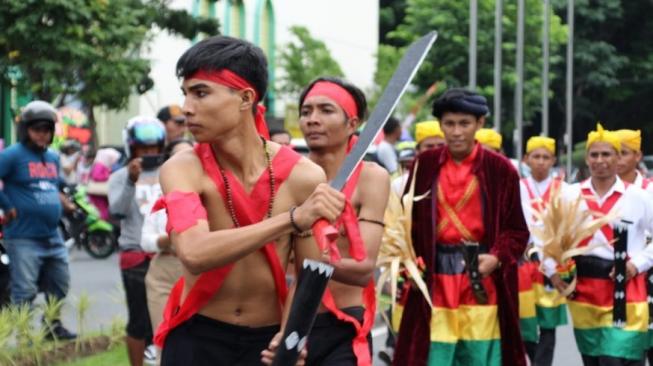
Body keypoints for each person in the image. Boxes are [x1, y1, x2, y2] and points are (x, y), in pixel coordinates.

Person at [152, 35, 344, 366]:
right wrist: (291, 219)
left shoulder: (304, 177)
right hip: (196, 338)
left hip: (265, 344)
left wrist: (290, 336)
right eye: (185, 94)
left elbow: (311, 272)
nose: (186, 108)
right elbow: (194, 252)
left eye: (200, 93)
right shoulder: (182, 169)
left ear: (245, 98)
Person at [393, 88, 529, 366]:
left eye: (464, 123)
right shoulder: (424, 165)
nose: (456, 132)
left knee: (480, 356)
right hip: (434, 280)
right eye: (449, 123)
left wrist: (496, 257)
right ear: (440, 125)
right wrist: (408, 261)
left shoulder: (501, 169)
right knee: (434, 356)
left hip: (481, 279)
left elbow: (517, 231)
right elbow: (406, 223)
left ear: (480, 124)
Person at [289, 76, 389, 365]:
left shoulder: (371, 177)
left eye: (326, 110)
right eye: (306, 112)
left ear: (352, 123)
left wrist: (308, 258)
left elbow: (362, 269)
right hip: (284, 325)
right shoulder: (287, 176)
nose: (312, 120)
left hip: (342, 327)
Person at [547, 124, 653, 366]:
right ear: (587, 159)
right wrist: (553, 272)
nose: (600, 160)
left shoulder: (639, 197)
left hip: (625, 290)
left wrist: (636, 265)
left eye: (607, 154)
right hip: (585, 295)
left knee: (614, 358)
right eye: (594, 154)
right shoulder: (569, 195)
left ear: (618, 158)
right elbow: (548, 239)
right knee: (593, 360)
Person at [0, 100, 77, 340]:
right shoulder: (12, 155)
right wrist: (7, 206)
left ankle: (52, 326)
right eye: (37, 129)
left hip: (52, 234)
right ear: (26, 130)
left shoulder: (52, 158)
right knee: (25, 289)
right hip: (23, 236)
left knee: (60, 283)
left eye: (47, 130)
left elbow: (53, 186)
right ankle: (22, 336)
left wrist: (63, 200)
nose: (42, 135)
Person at [108, 116, 167, 366]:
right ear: (132, 148)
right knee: (139, 320)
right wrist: (132, 181)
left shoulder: (170, 172)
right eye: (144, 149)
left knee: (167, 317)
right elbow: (117, 211)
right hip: (136, 255)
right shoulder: (120, 176)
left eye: (154, 148)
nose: (149, 153)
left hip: (166, 252)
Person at [143, 138, 194, 363]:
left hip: (197, 273)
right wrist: (167, 240)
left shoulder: (210, 194)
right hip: (163, 271)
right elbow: (145, 241)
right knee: (166, 339)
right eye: (177, 157)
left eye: (190, 157)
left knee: (197, 342)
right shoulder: (159, 196)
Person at [519, 136, 568, 366]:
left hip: (553, 264)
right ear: (526, 159)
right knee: (526, 321)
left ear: (553, 160)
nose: (540, 162)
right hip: (524, 264)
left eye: (546, 157)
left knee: (549, 323)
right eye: (536, 157)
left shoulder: (564, 190)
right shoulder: (517, 187)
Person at [614, 129, 653, 365]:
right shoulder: (604, 190)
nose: (616, 159)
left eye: (623, 153)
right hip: (620, 284)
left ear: (637, 156)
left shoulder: (649, 190)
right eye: (613, 153)